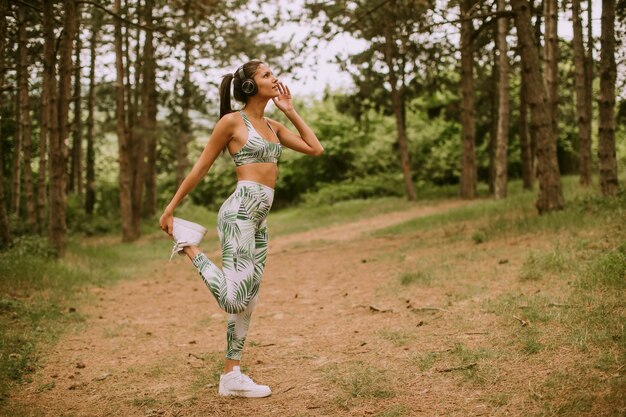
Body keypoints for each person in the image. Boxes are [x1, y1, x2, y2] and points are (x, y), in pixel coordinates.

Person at [159, 60, 324, 398]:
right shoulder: (233, 122)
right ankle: (188, 244)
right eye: (265, 75)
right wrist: (171, 207)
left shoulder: (273, 125)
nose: (273, 77)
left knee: (249, 300)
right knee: (234, 301)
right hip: (239, 214)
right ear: (249, 86)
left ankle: (231, 374)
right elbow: (200, 166)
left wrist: (290, 110)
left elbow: (315, 148)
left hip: (260, 218)